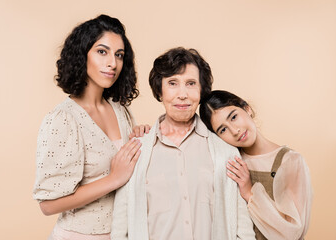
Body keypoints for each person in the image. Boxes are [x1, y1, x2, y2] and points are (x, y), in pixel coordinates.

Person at [111, 47, 255, 240]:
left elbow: (242, 227)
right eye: (172, 83)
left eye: (191, 83)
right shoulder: (137, 150)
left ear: (201, 91)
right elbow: (121, 226)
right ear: (160, 91)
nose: (182, 94)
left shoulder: (225, 151)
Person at [33, 14, 142, 240]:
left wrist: (144, 141)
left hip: (122, 233)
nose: (112, 63)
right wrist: (113, 179)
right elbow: (48, 204)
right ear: (82, 55)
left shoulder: (121, 111)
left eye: (119, 55)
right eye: (102, 51)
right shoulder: (63, 119)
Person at [199, 90, 312, 240]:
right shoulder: (231, 165)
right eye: (223, 129)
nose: (235, 130)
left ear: (247, 109)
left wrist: (249, 192)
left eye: (233, 117)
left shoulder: (290, 161)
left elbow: (293, 232)